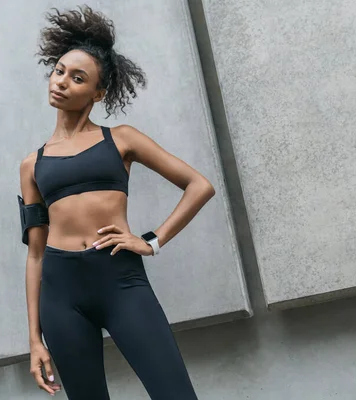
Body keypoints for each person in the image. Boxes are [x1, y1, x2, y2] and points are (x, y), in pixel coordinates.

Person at [17, 5, 214, 399]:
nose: (62, 82)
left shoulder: (121, 140)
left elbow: (199, 185)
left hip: (120, 281)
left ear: (98, 92)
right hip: (61, 294)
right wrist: (35, 339)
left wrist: (152, 240)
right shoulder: (31, 165)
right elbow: (36, 255)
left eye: (78, 78)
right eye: (59, 71)